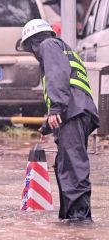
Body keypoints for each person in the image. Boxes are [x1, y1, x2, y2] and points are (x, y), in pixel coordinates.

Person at [21, 19, 99, 223]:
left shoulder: (48, 45)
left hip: (72, 112)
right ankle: (71, 219)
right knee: (66, 165)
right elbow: (67, 82)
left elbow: (58, 76)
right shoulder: (62, 48)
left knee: (73, 167)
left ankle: (79, 222)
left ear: (33, 43)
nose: (32, 54)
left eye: (29, 49)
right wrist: (47, 125)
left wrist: (56, 107)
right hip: (76, 111)